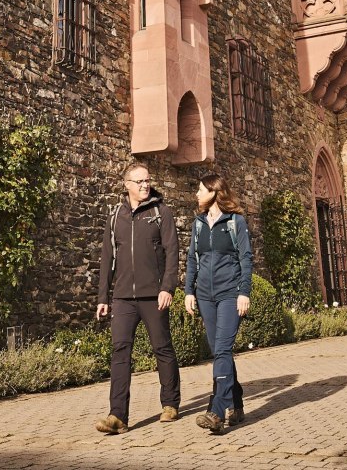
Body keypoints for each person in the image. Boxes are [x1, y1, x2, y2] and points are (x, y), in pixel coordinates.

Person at [94, 160, 180, 434]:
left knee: (162, 348)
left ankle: (170, 403)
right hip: (122, 297)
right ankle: (117, 415)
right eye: (139, 181)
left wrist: (167, 287)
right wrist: (103, 297)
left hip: (154, 295)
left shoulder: (160, 212)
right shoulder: (115, 216)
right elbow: (107, 258)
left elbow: (172, 252)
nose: (145, 185)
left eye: (147, 180)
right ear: (127, 185)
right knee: (120, 351)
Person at [183, 171, 251, 434]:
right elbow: (192, 258)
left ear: (213, 192)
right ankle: (237, 403)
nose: (197, 194)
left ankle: (217, 410)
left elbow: (245, 258)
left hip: (229, 294)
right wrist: (189, 291)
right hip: (204, 296)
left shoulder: (236, 222)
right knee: (220, 351)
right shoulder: (199, 224)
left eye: (201, 190)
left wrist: (244, 292)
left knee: (222, 350)